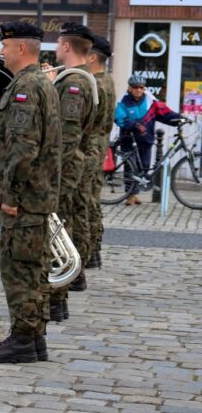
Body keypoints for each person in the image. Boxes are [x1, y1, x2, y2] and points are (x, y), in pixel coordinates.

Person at [0, 22, 60, 364]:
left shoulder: (27, 86)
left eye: (5, 46)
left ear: (21, 49)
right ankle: (34, 336)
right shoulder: (38, 82)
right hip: (36, 195)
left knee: (19, 269)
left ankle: (23, 339)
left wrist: (10, 195)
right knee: (33, 268)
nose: (1, 52)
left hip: (24, 199)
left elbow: (23, 148)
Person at [48, 23, 97, 321]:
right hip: (66, 169)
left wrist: (47, 172)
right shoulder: (72, 79)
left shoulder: (74, 84)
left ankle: (56, 300)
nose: (55, 48)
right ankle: (57, 299)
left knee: (53, 236)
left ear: (66, 46)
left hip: (61, 171)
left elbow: (66, 137)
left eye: (58, 43)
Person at [114, 74, 184, 205]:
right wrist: (135, 125)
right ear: (129, 88)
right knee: (130, 169)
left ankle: (134, 194)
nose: (138, 90)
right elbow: (119, 119)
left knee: (144, 168)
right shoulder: (123, 102)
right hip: (130, 140)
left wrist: (180, 118)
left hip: (146, 140)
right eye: (135, 87)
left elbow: (165, 113)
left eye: (141, 87)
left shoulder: (150, 101)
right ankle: (129, 196)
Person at [84, 34, 115, 268]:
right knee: (91, 200)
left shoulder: (95, 84)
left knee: (84, 202)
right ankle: (93, 250)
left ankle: (87, 251)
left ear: (92, 57)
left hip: (90, 150)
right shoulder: (106, 80)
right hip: (98, 148)